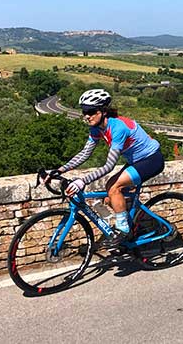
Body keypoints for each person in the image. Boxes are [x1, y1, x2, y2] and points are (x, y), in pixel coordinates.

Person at [50, 89, 164, 246]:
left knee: (113, 186)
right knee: (109, 197)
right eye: (84, 112)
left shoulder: (117, 128)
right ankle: (134, 225)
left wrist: (82, 181)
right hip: (136, 160)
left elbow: (109, 166)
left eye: (91, 112)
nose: (86, 116)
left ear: (103, 111)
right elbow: (85, 153)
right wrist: (61, 169)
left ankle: (124, 231)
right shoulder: (96, 128)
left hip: (151, 159)